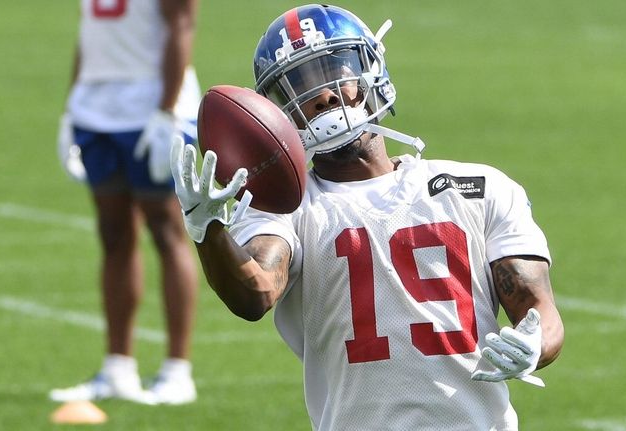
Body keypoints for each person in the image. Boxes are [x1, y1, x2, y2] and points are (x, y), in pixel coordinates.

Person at [173, 4, 564, 429]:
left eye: (333, 71)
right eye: (300, 84)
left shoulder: (481, 187)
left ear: (371, 67)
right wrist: (206, 228)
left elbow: (538, 309)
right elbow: (256, 293)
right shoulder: (285, 209)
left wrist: (533, 342)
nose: (323, 94)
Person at [50, 0, 201, 405]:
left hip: (151, 103)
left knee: (166, 229)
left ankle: (176, 370)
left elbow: (182, 24)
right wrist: (72, 103)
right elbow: (90, 35)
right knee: (113, 233)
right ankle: (117, 367)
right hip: (96, 109)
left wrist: (167, 111)